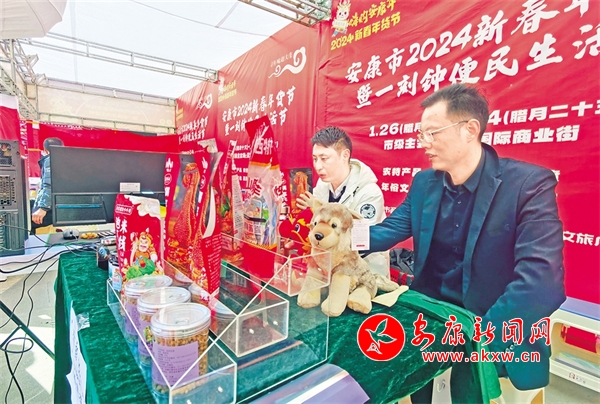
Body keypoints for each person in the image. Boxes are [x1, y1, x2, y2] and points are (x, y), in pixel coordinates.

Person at [367, 83, 565, 401]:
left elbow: (540, 283)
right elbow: (388, 230)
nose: (424, 143)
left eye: (433, 133)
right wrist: (335, 239)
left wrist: (478, 340)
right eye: (421, 134)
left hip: (492, 335)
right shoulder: (424, 183)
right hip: (430, 329)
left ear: (470, 130)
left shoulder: (527, 185)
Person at [297, 126, 389, 277]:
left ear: (345, 155)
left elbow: (361, 242)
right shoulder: (322, 186)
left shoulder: (369, 192)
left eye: (324, 158)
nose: (318, 166)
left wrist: (319, 211)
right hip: (329, 270)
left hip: (364, 272)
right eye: (315, 159)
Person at [31, 137, 64, 234]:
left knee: (23, 221)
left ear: (45, 150)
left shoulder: (50, 160)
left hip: (52, 207)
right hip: (59, 205)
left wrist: (43, 208)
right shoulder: (65, 160)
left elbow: (49, 184)